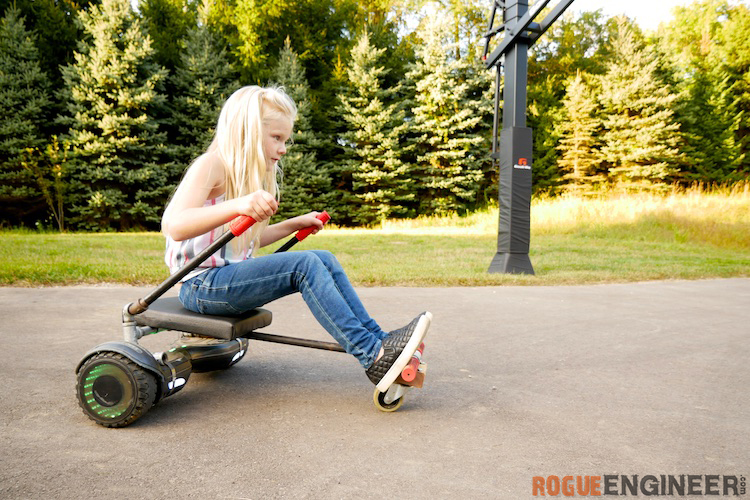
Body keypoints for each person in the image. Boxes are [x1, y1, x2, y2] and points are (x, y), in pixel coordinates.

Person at [161, 85, 431, 389]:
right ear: (247, 134)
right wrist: (238, 204)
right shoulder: (211, 165)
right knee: (304, 266)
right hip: (199, 285)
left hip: (223, 280)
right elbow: (175, 224)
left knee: (322, 258)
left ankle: (382, 342)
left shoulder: (241, 179)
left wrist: (292, 224)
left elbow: (246, 242)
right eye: (276, 138)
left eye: (285, 139)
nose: (283, 148)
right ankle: (374, 356)